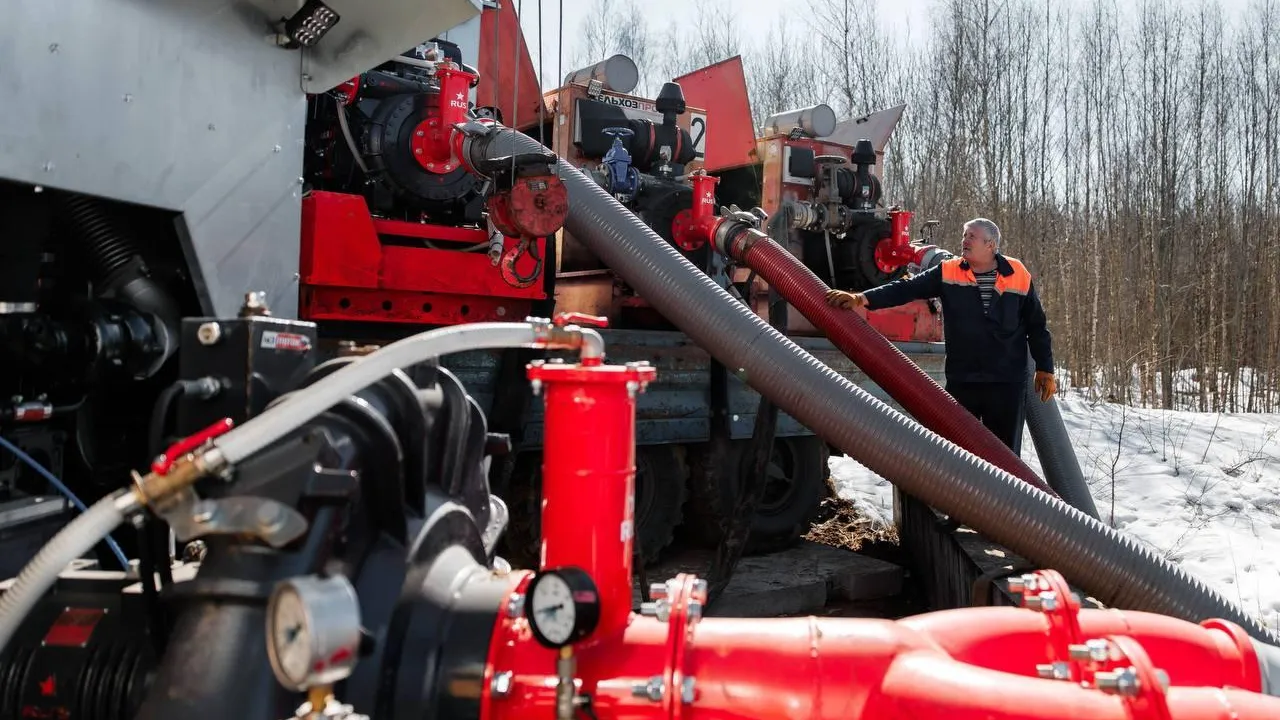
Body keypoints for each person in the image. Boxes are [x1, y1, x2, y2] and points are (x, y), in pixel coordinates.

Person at [824, 217, 1056, 455]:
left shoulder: (1017, 273)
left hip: (1006, 383)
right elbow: (906, 289)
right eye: (964, 235)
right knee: (959, 453)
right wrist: (862, 299)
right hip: (963, 381)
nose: (964, 240)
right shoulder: (949, 271)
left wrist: (1045, 368)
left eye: (971, 236)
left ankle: (1005, 494)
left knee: (1005, 456)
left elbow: (1036, 325)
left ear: (990, 245)